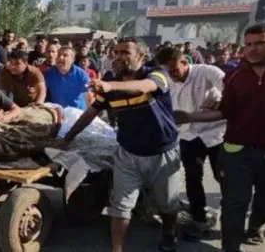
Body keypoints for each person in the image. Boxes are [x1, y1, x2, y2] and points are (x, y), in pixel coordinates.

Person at [178, 24, 265, 252]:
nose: (253, 49)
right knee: (233, 203)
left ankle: (256, 224)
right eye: (249, 44)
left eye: (260, 43)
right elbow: (226, 111)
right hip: (236, 150)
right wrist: (190, 116)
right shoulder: (235, 75)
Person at [60, 38, 180, 252]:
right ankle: (117, 249)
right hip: (128, 153)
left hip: (162, 153)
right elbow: (91, 112)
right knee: (120, 208)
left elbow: (144, 87)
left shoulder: (156, 75)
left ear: (142, 56)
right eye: (115, 52)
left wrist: (111, 85)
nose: (118, 56)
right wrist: (67, 138)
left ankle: (169, 233)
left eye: (125, 52)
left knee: (167, 204)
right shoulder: (109, 83)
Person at [154, 47, 226, 240]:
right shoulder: (166, 80)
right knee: (193, 179)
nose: (171, 75)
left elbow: (232, 93)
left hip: (217, 132)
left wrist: (222, 102)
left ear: (185, 62)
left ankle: (230, 217)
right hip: (188, 135)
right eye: (166, 71)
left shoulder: (208, 72)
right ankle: (199, 219)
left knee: (224, 177)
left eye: (174, 70)